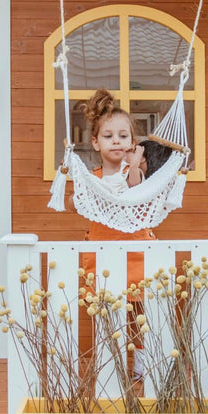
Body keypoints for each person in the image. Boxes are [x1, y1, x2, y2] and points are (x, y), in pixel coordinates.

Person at [78, 89, 157, 382]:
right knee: (107, 311)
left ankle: (140, 358)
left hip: (136, 250)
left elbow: (133, 190)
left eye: (123, 136)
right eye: (109, 136)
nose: (117, 141)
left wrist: (135, 162)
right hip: (104, 252)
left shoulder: (136, 175)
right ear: (96, 142)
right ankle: (110, 359)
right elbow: (85, 202)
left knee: (139, 311)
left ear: (132, 143)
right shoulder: (92, 178)